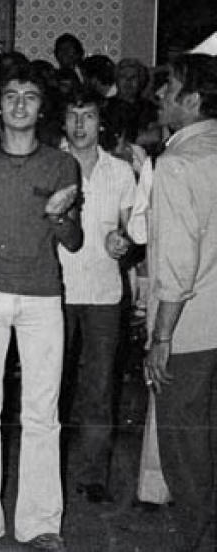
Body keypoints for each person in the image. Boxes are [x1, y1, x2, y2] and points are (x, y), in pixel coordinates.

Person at [0, 64, 82, 551]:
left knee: (41, 413)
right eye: (11, 96)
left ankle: (41, 522)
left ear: (41, 107)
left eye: (29, 96)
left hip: (43, 295)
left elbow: (72, 239)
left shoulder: (61, 165)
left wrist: (60, 215)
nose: (20, 104)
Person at [144, 53, 217, 552]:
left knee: (185, 447)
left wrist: (160, 337)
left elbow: (175, 264)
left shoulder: (177, 164)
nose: (159, 96)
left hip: (190, 330)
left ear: (191, 101)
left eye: (168, 88)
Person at [58, 85, 135, 505]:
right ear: (63, 120)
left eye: (88, 116)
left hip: (105, 292)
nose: (81, 125)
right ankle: (48, 469)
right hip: (55, 288)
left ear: (100, 122)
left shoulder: (121, 172)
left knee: (99, 385)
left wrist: (122, 242)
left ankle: (92, 474)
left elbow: (130, 229)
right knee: (53, 384)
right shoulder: (49, 163)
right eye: (73, 115)